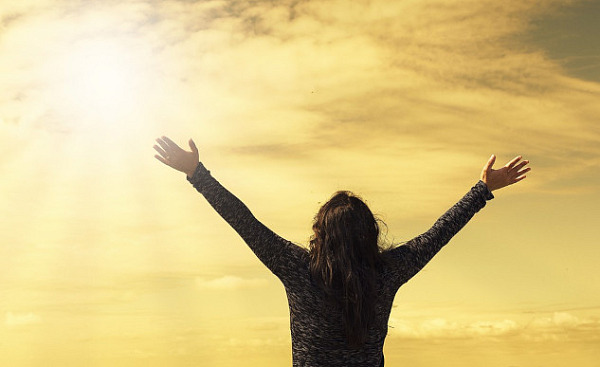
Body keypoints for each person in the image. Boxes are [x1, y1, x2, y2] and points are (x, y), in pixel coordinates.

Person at [153, 136, 530, 367]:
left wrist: (197, 173)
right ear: (370, 233)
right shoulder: (388, 271)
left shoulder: (298, 269)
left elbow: (244, 222)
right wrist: (482, 190)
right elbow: (439, 232)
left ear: (320, 232)